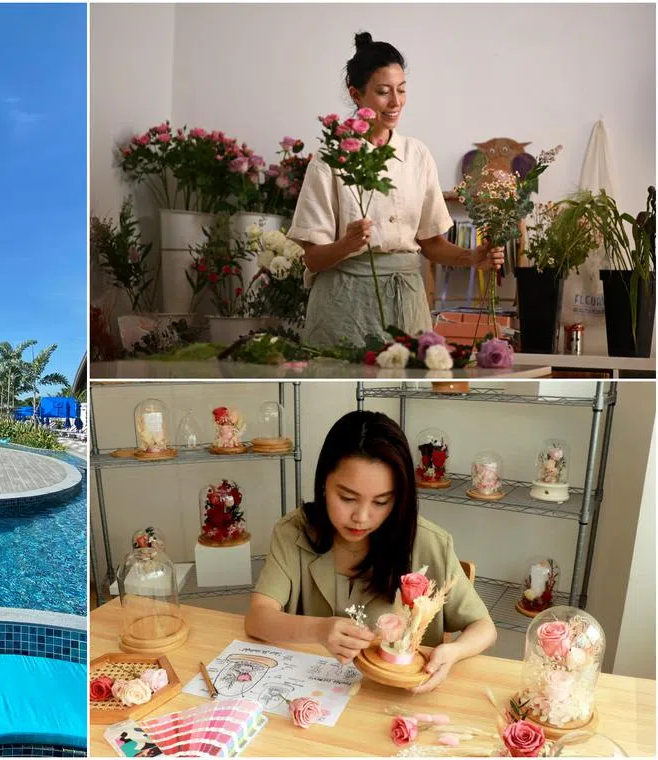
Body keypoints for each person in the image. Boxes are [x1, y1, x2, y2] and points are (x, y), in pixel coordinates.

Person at [245, 410, 496, 694]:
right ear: (324, 484)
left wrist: (452, 653)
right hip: (312, 695)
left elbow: (483, 626)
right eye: (348, 498)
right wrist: (318, 630)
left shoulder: (429, 543)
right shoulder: (293, 531)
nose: (361, 517)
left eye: (381, 502)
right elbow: (257, 619)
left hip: (393, 700)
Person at [287, 32, 505, 348]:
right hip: (344, 306)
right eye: (383, 92)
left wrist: (473, 257)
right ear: (356, 94)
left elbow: (431, 244)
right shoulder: (331, 160)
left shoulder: (417, 155)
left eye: (401, 90)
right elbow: (312, 260)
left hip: (408, 304)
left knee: (405, 393)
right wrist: (348, 244)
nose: (396, 102)